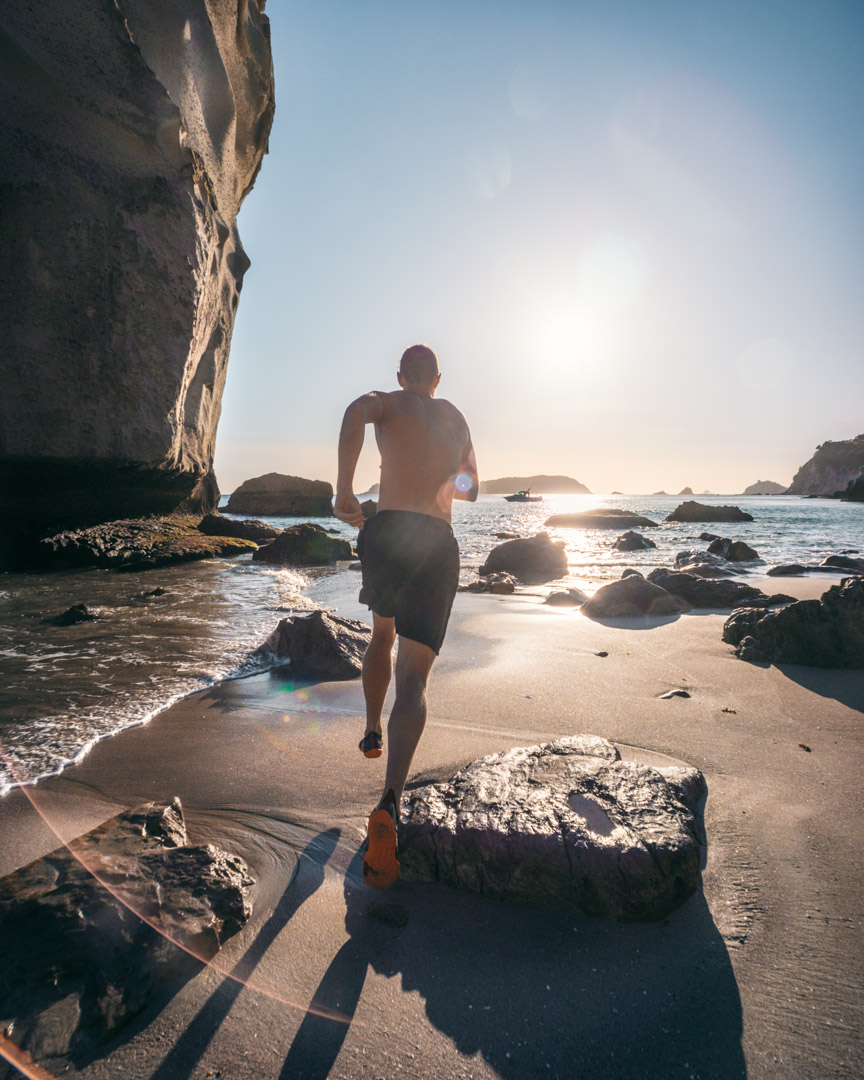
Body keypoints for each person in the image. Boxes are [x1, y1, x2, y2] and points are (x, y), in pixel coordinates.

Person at [334, 344, 478, 889]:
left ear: (401, 377)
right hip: (435, 540)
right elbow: (473, 487)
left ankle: (371, 729)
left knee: (382, 634)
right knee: (414, 676)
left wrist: (345, 489)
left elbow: (353, 412)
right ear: (437, 379)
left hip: (387, 531)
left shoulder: (386, 402)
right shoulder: (456, 417)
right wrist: (444, 482)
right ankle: (391, 797)